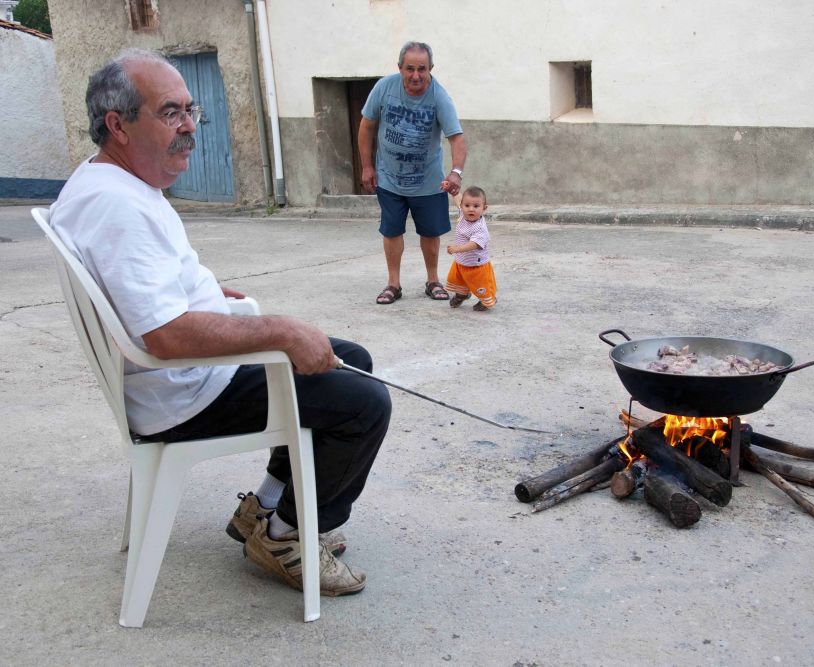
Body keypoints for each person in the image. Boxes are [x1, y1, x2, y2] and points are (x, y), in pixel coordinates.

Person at [49, 49, 391, 597]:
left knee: (351, 360)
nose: (188, 127)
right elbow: (168, 336)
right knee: (364, 402)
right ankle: (287, 537)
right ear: (117, 124)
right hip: (183, 392)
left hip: (173, 380)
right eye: (169, 113)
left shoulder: (106, 181)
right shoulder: (118, 207)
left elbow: (148, 287)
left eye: (191, 110)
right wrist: (279, 328)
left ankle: (265, 506)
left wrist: (204, 290)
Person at [358, 41, 468, 305]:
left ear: (430, 68)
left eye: (422, 69)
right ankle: (393, 284)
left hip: (428, 181)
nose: (416, 75)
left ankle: (433, 281)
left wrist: (455, 172)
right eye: (410, 69)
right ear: (400, 68)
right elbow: (366, 127)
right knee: (391, 230)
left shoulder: (439, 97)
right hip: (389, 177)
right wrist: (367, 166)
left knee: (430, 232)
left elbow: (456, 138)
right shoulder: (384, 88)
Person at [445, 186, 497, 311]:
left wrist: (457, 249)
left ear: (484, 208)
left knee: (481, 286)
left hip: (477, 266)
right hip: (461, 261)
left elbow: (473, 244)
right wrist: (452, 190)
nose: (471, 209)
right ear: (462, 207)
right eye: (467, 205)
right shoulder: (462, 215)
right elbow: (458, 199)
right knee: (457, 280)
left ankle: (487, 300)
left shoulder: (480, 228)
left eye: (476, 206)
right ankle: (461, 294)